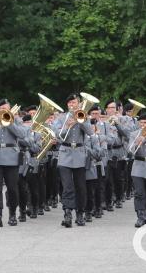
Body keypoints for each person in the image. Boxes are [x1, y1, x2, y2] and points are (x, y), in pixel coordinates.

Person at [51, 93, 94, 228]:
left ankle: (80, 213)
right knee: (67, 186)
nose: (72, 105)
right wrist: (68, 126)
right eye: (70, 103)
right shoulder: (61, 118)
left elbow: (90, 132)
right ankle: (67, 213)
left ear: (79, 104)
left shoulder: (84, 116)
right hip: (65, 154)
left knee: (81, 186)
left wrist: (80, 121)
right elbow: (58, 136)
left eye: (74, 103)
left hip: (79, 154)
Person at [0, 98, 29, 227]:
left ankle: (13, 214)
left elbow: (22, 134)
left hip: (11, 157)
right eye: (1, 109)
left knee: (12, 188)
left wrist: (9, 123)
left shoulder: (17, 121)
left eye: (5, 109)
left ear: (10, 110)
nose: (3, 111)